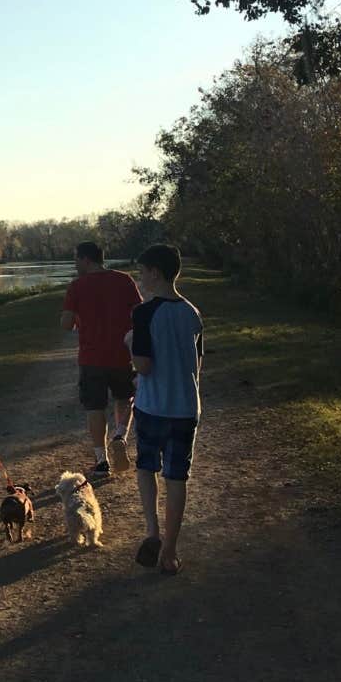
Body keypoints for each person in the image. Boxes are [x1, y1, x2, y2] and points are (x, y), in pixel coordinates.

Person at [127, 242, 203, 576]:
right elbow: (197, 363)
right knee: (177, 477)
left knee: (146, 468)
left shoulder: (144, 313)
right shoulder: (192, 312)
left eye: (141, 274)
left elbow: (143, 366)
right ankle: (170, 552)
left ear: (155, 273)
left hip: (152, 406)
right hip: (185, 407)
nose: (139, 280)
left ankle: (152, 532)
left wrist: (130, 343)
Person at [59, 240, 142, 481]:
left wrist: (75, 318)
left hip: (91, 358)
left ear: (86, 259)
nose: (74, 263)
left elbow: (66, 324)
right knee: (124, 398)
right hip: (121, 355)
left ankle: (101, 460)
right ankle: (120, 436)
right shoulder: (124, 280)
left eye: (75, 258)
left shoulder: (77, 286)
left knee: (94, 407)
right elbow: (139, 314)